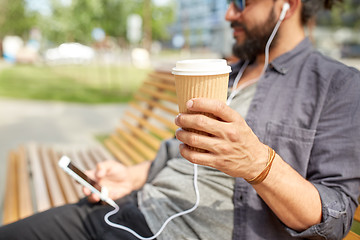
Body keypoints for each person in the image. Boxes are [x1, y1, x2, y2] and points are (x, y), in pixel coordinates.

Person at [1, 0, 359, 239]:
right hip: (129, 208)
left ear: (287, 5)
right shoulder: (228, 74)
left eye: (240, 1)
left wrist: (259, 164)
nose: (228, 15)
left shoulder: (337, 86)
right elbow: (181, 148)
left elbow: (336, 216)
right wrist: (131, 175)